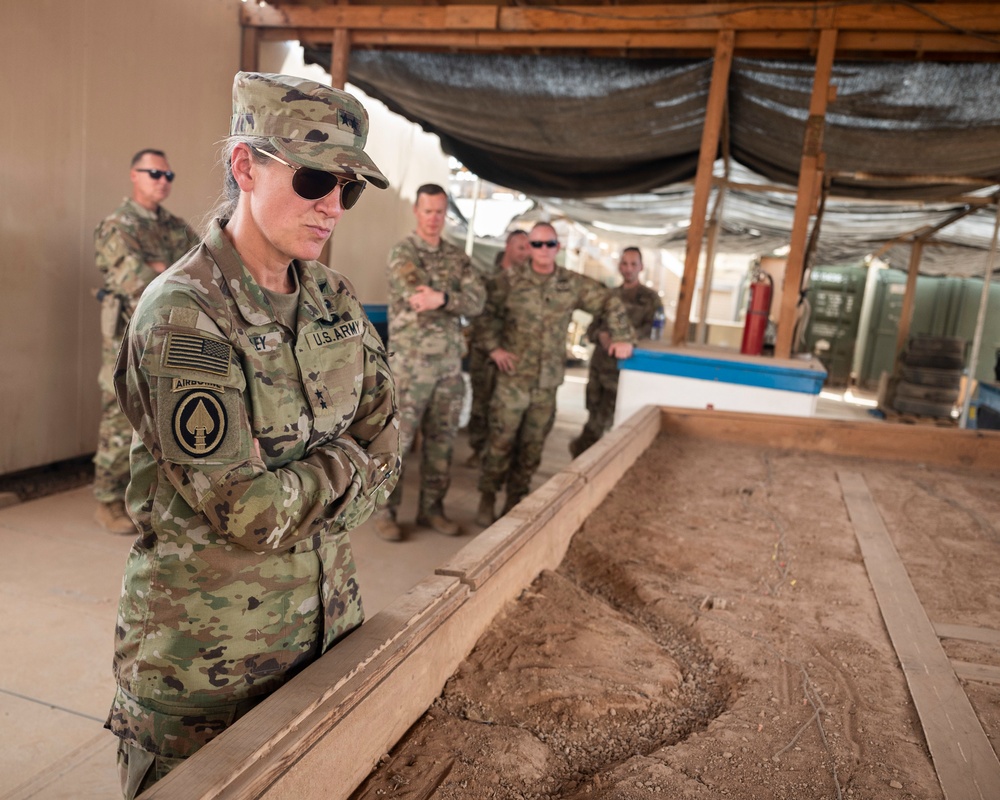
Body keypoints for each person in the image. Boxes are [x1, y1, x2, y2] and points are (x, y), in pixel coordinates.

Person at [105, 72, 400, 799]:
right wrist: (354, 467)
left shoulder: (330, 297)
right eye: (312, 179)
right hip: (206, 673)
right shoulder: (185, 313)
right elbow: (251, 510)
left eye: (349, 188)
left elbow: (394, 437)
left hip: (326, 639)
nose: (332, 205)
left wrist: (335, 471)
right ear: (245, 166)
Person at [475, 222, 635, 526]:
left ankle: (513, 501)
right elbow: (484, 314)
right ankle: (487, 496)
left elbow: (608, 300)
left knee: (532, 448)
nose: (543, 250)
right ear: (530, 247)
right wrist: (493, 348)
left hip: (546, 384)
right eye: (536, 244)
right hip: (512, 381)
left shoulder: (570, 284)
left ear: (557, 247)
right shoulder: (508, 281)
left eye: (549, 244)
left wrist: (621, 335)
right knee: (500, 443)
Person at [92, 149, 200, 534]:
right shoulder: (116, 226)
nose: (162, 180)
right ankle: (106, 499)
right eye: (154, 173)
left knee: (163, 416)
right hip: (129, 337)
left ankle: (148, 499)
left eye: (168, 174)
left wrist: (163, 271)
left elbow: (202, 271)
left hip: (172, 335)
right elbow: (136, 281)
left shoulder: (177, 226)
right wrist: (171, 274)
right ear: (134, 175)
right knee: (122, 415)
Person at [372, 184, 485, 541]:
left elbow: (478, 300)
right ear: (416, 212)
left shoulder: (457, 257)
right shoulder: (404, 252)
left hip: (449, 366)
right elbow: (418, 296)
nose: (434, 218)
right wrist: (449, 299)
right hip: (411, 366)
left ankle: (432, 510)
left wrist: (445, 297)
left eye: (439, 211)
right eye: (428, 211)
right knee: (397, 443)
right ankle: (385, 511)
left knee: (442, 443)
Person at [570, 246, 663, 457]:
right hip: (600, 368)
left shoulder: (650, 299)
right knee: (594, 416)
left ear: (641, 267)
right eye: (624, 263)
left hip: (626, 371)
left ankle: (586, 455)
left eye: (633, 264)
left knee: (612, 423)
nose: (628, 269)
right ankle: (582, 455)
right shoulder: (608, 296)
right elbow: (591, 330)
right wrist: (603, 336)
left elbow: (654, 332)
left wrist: (626, 340)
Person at [465, 229, 531, 466]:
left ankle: (498, 452)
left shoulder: (528, 280)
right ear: (508, 246)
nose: (527, 253)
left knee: (506, 407)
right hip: (485, 352)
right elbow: (478, 315)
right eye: (521, 247)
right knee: (481, 402)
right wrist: (492, 347)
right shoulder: (488, 277)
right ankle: (478, 447)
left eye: (529, 247)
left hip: (513, 353)